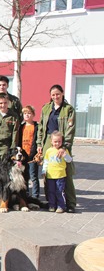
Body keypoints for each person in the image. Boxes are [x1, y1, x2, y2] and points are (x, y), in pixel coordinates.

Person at [37, 84, 76, 213]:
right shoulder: (46, 108)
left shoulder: (68, 109)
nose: (55, 97)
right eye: (53, 95)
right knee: (48, 173)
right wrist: (39, 144)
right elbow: (41, 127)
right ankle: (51, 202)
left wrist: (64, 146)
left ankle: (70, 203)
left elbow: (70, 130)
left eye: (57, 94)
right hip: (48, 141)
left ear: (62, 93)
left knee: (66, 172)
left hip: (62, 142)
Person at [0, 93, 20, 201]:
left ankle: (4, 192)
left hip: (6, 146)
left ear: (9, 103)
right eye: (1, 103)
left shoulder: (13, 116)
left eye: (5, 103)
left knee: (4, 170)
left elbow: (15, 133)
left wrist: (13, 148)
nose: (3, 105)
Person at [42, 131, 73, 213]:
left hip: (60, 175)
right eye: (55, 141)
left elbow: (69, 160)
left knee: (59, 191)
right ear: (51, 141)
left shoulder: (63, 150)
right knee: (51, 191)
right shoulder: (49, 151)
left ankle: (61, 206)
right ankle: (52, 205)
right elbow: (46, 161)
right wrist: (44, 170)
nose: (57, 143)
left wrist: (65, 155)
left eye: (59, 141)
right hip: (50, 175)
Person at [19, 105, 40, 199]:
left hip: (32, 156)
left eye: (29, 113)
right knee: (24, 176)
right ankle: (26, 195)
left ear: (33, 114)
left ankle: (35, 196)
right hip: (23, 156)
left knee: (33, 176)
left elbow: (38, 140)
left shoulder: (36, 126)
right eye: (25, 113)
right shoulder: (21, 126)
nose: (27, 115)